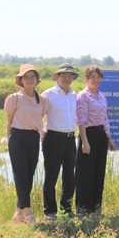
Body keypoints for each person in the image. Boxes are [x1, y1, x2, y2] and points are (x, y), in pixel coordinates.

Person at [4, 64, 48, 225]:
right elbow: (9, 121)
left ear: (37, 80)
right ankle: (28, 213)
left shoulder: (42, 100)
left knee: (29, 175)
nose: (29, 80)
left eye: (32, 77)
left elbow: (40, 118)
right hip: (18, 137)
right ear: (21, 80)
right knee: (21, 174)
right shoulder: (14, 98)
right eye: (26, 77)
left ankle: (18, 212)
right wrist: (9, 138)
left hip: (33, 137)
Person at [75, 65, 117, 214]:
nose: (96, 80)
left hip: (101, 135)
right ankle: (83, 209)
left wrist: (109, 139)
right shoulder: (83, 96)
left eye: (98, 77)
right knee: (85, 173)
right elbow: (81, 120)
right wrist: (85, 142)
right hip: (88, 134)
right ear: (86, 79)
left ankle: (96, 208)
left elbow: (105, 119)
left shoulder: (102, 96)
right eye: (92, 77)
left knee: (99, 172)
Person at [40, 64, 79, 220]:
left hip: (70, 139)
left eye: (70, 75)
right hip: (53, 139)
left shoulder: (74, 95)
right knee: (51, 176)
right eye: (64, 75)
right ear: (57, 76)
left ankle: (66, 209)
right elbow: (39, 115)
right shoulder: (48, 94)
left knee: (70, 177)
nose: (67, 78)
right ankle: (50, 212)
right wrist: (42, 133)